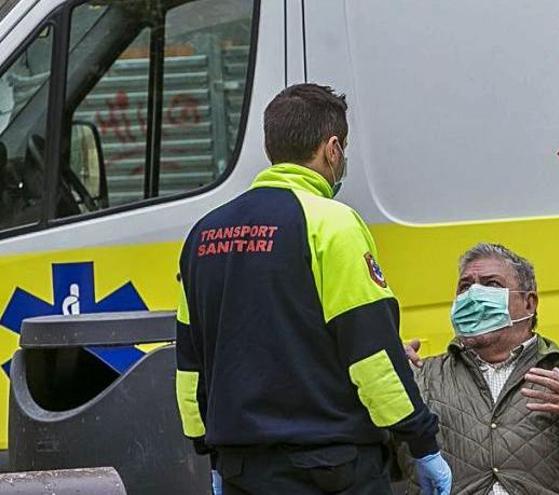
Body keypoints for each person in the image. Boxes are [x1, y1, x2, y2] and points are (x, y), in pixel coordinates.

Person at [174, 83, 452, 495]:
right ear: (332, 148)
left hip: (242, 470)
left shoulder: (204, 234)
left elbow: (189, 364)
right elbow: (370, 354)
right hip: (331, 468)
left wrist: (209, 452)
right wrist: (422, 442)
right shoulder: (332, 224)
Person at [399, 243, 559, 495]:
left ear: (529, 303)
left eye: (491, 284)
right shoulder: (423, 376)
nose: (474, 294)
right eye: (465, 286)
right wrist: (382, 381)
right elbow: (372, 463)